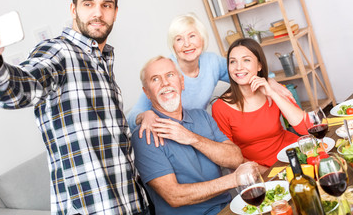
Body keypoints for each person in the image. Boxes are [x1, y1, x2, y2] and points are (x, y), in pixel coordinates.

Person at [0, 0, 149, 214]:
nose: (97, 13)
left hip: (131, 203)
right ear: (73, 9)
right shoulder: (58, 51)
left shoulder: (103, 61)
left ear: (115, 12)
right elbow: (20, 87)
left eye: (106, 5)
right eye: (88, 4)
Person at [127, 13, 293, 147]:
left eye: (192, 36)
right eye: (179, 39)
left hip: (198, 129)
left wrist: (270, 83)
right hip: (170, 138)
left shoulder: (212, 62)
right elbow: (131, 115)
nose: (186, 44)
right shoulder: (167, 70)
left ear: (202, 39)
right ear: (173, 45)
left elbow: (242, 73)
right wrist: (145, 115)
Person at [131, 55, 255, 214]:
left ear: (182, 82)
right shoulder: (145, 135)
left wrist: (192, 138)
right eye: (155, 79)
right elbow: (174, 196)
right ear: (147, 92)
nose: (165, 83)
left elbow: (235, 158)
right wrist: (233, 180)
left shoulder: (201, 116)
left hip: (229, 208)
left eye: (170, 75)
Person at [211, 38, 307, 173]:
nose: (239, 67)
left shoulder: (273, 89)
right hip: (261, 171)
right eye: (233, 61)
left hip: (294, 155)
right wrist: (267, 173)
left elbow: (305, 128)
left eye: (246, 60)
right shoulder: (221, 107)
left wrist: (273, 93)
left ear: (259, 65)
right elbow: (230, 157)